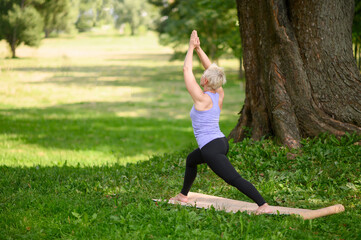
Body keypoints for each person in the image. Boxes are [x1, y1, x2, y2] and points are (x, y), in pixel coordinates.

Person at [170, 30, 272, 214]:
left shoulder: (202, 99)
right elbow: (213, 70)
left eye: (204, 74)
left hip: (211, 148)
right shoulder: (218, 93)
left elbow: (186, 70)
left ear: (205, 81)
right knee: (191, 160)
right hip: (220, 142)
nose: (202, 74)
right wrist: (199, 49)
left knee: (233, 178)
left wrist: (190, 48)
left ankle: (263, 204)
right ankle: (183, 195)